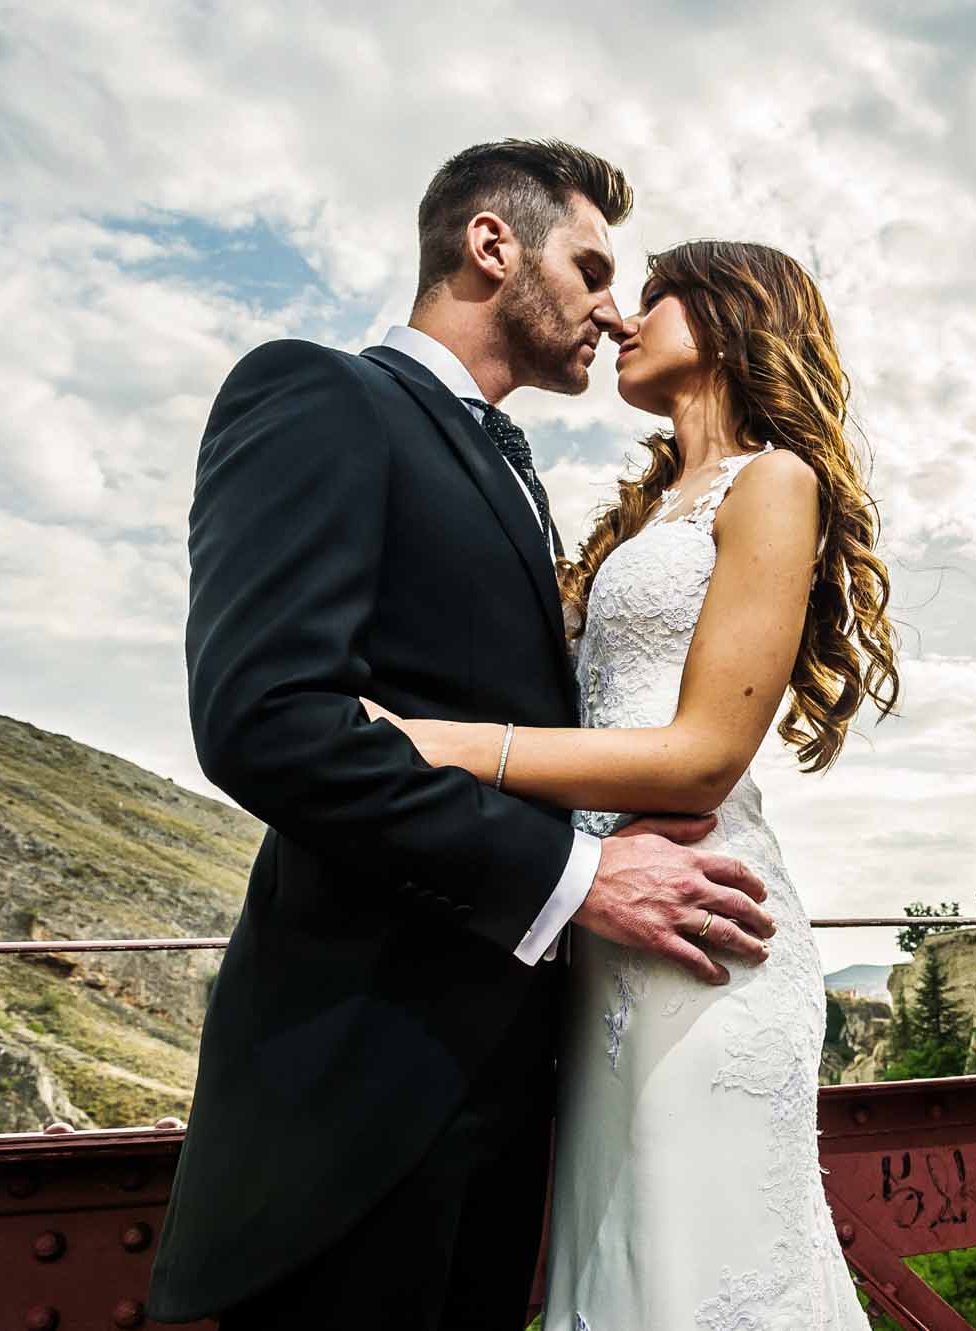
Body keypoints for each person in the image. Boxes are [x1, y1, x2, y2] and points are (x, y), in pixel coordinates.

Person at [153, 142, 778, 1329]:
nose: (614, 302)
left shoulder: (516, 468)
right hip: (358, 1096)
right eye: (591, 265)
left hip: (512, 1091)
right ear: (492, 246)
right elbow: (267, 720)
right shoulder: (318, 393)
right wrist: (580, 874)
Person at [373, 239, 897, 1327]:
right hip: (604, 925)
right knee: (621, 1263)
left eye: (651, 297)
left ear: (728, 315)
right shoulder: (649, 512)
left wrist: (443, 743)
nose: (620, 319)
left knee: (701, 1262)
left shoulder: (774, 480)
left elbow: (705, 751)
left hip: (710, 922)